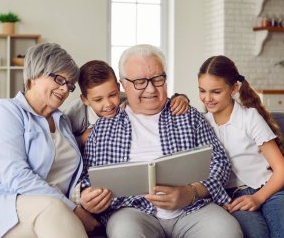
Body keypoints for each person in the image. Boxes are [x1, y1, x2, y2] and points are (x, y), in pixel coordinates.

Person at [79, 44, 243, 238]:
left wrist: (191, 193)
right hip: (132, 212)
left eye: (158, 79)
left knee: (227, 232)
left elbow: (219, 162)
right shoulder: (104, 127)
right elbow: (87, 177)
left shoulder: (187, 115)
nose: (150, 89)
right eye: (140, 81)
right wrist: (86, 198)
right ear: (123, 85)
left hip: (193, 208)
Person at [0, 43, 101, 238]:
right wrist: (73, 210)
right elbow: (16, 176)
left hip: (49, 214)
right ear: (34, 75)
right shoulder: (6, 111)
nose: (65, 89)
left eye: (70, 84)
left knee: (53, 215)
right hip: (5, 205)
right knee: (53, 209)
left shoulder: (63, 121)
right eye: (59, 79)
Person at [198, 55, 284, 238]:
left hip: (271, 191)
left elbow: (282, 170)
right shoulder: (201, 123)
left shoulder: (249, 118)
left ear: (233, 88)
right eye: (202, 90)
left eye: (216, 91)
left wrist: (258, 197)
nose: (207, 98)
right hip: (233, 198)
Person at [62, 60, 190, 148]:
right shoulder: (76, 112)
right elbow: (62, 144)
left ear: (118, 88)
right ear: (85, 99)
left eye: (112, 95)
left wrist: (180, 98)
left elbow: (156, 100)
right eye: (98, 100)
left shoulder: (126, 100)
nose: (108, 104)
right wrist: (82, 140)